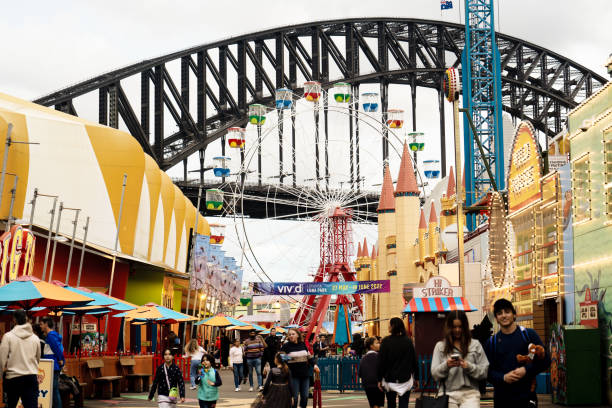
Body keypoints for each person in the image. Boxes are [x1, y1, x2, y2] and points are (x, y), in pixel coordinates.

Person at [484, 299, 550, 408]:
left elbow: (546, 360)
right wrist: (503, 377)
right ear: (496, 319)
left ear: (514, 314)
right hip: (502, 399)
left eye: (507, 312)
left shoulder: (529, 335)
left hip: (527, 397)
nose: (504, 316)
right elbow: (487, 372)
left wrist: (526, 370)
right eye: (499, 313)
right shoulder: (491, 343)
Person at [431, 311, 489, 408]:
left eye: (460, 327)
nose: (457, 330)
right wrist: (446, 365)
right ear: (449, 328)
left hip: (470, 394)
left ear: (465, 327)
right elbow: (435, 374)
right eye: (454, 327)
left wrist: (468, 367)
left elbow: (484, 372)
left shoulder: (475, 344)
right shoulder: (440, 346)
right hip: (447, 395)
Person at [0, 309, 41, 408]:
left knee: (11, 405)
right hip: (31, 377)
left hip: (13, 378)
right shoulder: (35, 338)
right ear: (26, 319)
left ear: (14, 320)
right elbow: (38, 358)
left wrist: (1, 375)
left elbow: (2, 359)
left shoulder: (8, 337)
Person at [377, 317, 417, 408]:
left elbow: (381, 362)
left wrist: (379, 379)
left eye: (389, 325)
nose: (388, 327)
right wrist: (417, 377)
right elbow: (413, 360)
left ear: (393, 326)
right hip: (405, 378)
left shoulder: (386, 341)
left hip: (389, 379)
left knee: (391, 404)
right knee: (404, 404)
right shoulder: (408, 341)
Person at [281, 328, 319, 408]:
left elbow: (309, 357)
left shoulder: (303, 344)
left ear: (298, 335)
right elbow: (281, 359)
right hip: (293, 375)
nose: (291, 336)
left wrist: (315, 365)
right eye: (290, 334)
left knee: (305, 396)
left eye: (293, 334)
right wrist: (287, 363)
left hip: (305, 374)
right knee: (294, 397)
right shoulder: (286, 346)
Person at [41, 316, 65, 408]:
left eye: (41, 324)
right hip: (53, 365)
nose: (40, 326)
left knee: (54, 389)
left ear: (46, 324)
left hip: (53, 365)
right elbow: (60, 349)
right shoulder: (53, 335)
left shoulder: (50, 336)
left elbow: (57, 349)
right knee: (54, 389)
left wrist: (60, 360)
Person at [359, 337, 384, 408]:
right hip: (378, 384)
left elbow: (360, 373)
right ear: (371, 346)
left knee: (373, 404)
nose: (379, 344)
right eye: (377, 343)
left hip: (367, 385)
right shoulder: (379, 356)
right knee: (377, 404)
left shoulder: (363, 358)